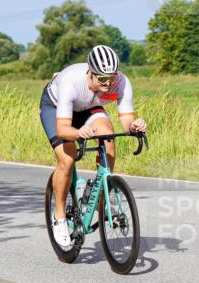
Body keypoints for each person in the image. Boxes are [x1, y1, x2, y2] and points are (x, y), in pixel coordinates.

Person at [39, 44, 146, 248]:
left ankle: (101, 190)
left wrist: (134, 126)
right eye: (103, 79)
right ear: (90, 73)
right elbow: (62, 129)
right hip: (55, 107)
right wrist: (78, 132)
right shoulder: (71, 82)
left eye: (112, 77)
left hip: (89, 105)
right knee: (67, 158)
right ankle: (60, 216)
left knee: (108, 136)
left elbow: (126, 122)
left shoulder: (121, 82)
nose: (108, 83)